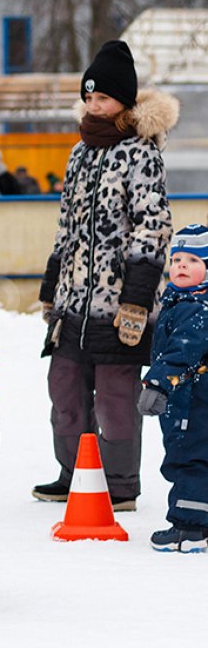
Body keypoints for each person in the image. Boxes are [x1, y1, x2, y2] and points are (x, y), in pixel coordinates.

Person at [35, 40, 176, 512]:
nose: (94, 105)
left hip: (120, 305)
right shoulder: (79, 154)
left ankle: (117, 484)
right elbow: (66, 227)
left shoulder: (141, 155)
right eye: (89, 97)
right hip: (73, 303)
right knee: (65, 389)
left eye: (104, 98)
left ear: (124, 102)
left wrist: (137, 297)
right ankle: (74, 473)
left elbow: (153, 228)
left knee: (116, 397)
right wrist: (52, 289)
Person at [138, 225, 208, 552]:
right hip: (191, 398)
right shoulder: (183, 301)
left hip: (191, 401)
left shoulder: (195, 308)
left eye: (193, 259)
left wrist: (157, 382)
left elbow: (182, 352)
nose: (181, 265)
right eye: (177, 258)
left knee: (187, 459)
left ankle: (189, 528)